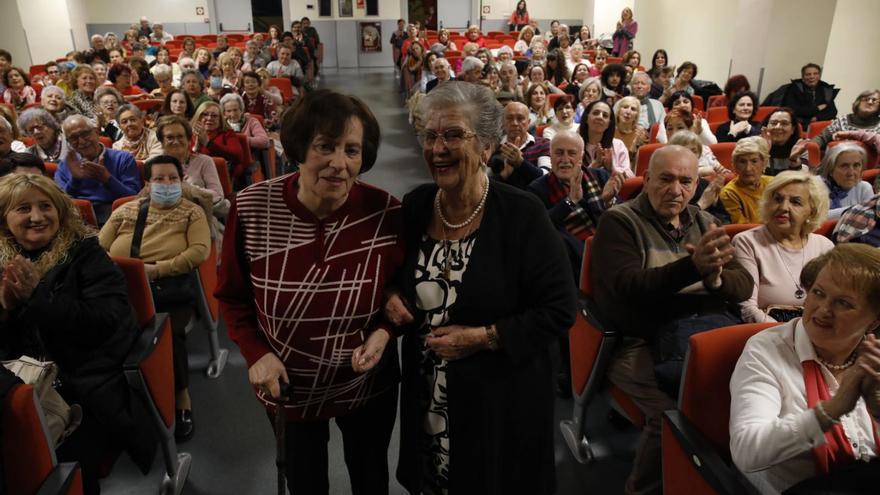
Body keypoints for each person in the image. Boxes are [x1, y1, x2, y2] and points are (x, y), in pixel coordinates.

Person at [384, 80, 576, 494]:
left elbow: (561, 308)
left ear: (487, 146)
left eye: (453, 135)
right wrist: (392, 298)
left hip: (501, 399)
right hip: (429, 390)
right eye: (430, 135)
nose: (438, 148)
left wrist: (484, 337)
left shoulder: (522, 213)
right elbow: (396, 278)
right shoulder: (417, 205)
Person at [215, 89, 404, 494]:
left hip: (366, 385)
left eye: (352, 150)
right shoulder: (251, 208)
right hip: (288, 387)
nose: (339, 163)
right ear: (298, 147)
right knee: (306, 484)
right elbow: (232, 296)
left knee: (371, 480)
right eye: (325, 146)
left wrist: (386, 328)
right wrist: (256, 354)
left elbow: (403, 292)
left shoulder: (387, 213)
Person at [591, 144, 752, 495]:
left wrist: (715, 279)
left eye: (685, 181)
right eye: (665, 179)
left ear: (697, 185)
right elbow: (628, 288)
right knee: (676, 414)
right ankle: (642, 488)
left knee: (743, 398)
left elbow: (743, 286)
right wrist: (693, 268)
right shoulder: (619, 221)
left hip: (700, 331)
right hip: (638, 338)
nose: (675, 190)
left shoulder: (706, 221)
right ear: (646, 179)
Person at [0, 173, 155, 494]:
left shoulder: (87, 254)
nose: (38, 217)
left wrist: (38, 297)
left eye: (46, 206)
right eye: (23, 209)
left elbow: (105, 322)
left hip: (84, 382)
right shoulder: (4, 262)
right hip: (20, 379)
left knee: (62, 456)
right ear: (4, 219)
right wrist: (4, 311)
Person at [730, 243, 880, 494]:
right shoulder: (767, 349)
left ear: (874, 321)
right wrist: (831, 411)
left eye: (843, 303)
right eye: (818, 293)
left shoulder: (874, 357)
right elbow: (746, 451)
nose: (823, 310)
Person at [100, 154, 210, 443]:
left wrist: (156, 270)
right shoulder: (126, 211)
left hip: (167, 288)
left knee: (166, 334)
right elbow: (99, 247)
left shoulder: (191, 212)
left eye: (172, 178)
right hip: (121, 287)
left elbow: (199, 251)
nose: (166, 184)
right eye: (159, 179)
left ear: (181, 180)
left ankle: (181, 398)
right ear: (147, 184)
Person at [733, 171, 833, 324]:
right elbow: (747, 309)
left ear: (811, 211)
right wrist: (789, 336)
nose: (783, 207)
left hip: (815, 331)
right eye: (777, 199)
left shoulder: (824, 246)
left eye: (796, 202)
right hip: (766, 333)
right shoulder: (747, 242)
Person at [527, 130, 623, 276]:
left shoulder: (600, 176)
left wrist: (609, 203)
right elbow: (538, 228)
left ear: (581, 157)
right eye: (559, 153)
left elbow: (623, 216)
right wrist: (569, 202)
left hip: (612, 250)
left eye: (571, 153)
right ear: (551, 156)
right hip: (573, 263)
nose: (565, 160)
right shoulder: (537, 189)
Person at [56, 115, 141, 224]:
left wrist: (107, 179)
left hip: (117, 216)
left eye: (85, 134)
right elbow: (60, 201)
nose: (81, 142)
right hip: (78, 219)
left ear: (96, 132)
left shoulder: (123, 158)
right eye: (73, 138)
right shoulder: (66, 164)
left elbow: (134, 198)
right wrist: (75, 180)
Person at [155, 115, 225, 211]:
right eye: (170, 137)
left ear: (188, 140)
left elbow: (218, 195)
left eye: (180, 136)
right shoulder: (154, 165)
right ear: (162, 142)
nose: (175, 142)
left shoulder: (205, 161)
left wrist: (189, 190)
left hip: (200, 216)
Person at [488, 101, 550, 189]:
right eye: (509, 118)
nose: (515, 123)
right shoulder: (493, 147)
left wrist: (520, 163)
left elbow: (547, 177)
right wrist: (505, 174)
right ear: (503, 122)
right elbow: (484, 183)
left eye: (520, 118)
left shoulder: (543, 144)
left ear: (528, 123)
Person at [191, 101, 248, 186]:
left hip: (217, 178)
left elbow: (237, 155)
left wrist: (208, 143)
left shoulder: (227, 133)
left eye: (214, 116)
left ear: (220, 119)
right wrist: (196, 147)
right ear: (198, 116)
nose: (209, 118)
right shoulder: (188, 133)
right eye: (205, 114)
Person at [720, 136, 773, 224]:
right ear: (735, 165)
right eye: (742, 162)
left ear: (764, 163)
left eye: (754, 161)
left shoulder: (773, 183)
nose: (748, 168)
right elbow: (742, 229)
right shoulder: (729, 193)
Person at [806, 89, 880, 151]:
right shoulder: (842, 121)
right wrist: (809, 149)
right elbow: (821, 138)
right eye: (866, 99)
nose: (870, 102)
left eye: (874, 100)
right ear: (858, 102)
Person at [817, 142, 873, 219]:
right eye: (844, 166)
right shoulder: (816, 186)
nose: (851, 173)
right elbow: (815, 218)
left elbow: (870, 218)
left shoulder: (864, 188)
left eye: (856, 165)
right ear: (830, 169)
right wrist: (855, 210)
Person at [578, 100, 633, 178]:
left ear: (608, 124)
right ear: (587, 118)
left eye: (605, 115)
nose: (600, 117)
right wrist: (593, 167)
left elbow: (630, 177)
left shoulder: (618, 145)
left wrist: (612, 168)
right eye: (596, 113)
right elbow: (569, 177)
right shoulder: (575, 144)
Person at [779, 63, 839, 129]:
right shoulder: (794, 88)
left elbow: (833, 111)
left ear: (819, 76)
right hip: (800, 125)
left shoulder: (826, 89)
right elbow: (792, 110)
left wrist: (817, 118)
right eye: (808, 74)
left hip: (820, 124)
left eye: (815, 74)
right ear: (803, 77)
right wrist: (817, 109)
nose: (812, 77)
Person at [665, 110, 723, 177]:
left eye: (680, 128)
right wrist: (703, 171)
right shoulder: (664, 154)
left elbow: (720, 170)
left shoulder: (704, 149)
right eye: (669, 129)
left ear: (690, 129)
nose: (674, 132)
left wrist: (721, 170)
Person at [761, 107, 809, 175]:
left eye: (784, 123)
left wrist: (794, 160)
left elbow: (802, 180)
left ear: (792, 129)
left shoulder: (799, 148)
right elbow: (752, 178)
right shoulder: (757, 144)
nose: (778, 127)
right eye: (774, 123)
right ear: (766, 126)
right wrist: (764, 152)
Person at [614, 95, 647, 163]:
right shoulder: (609, 132)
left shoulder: (641, 134)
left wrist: (636, 145)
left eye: (633, 109)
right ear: (618, 111)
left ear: (636, 116)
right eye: (625, 107)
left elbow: (642, 162)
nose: (628, 112)